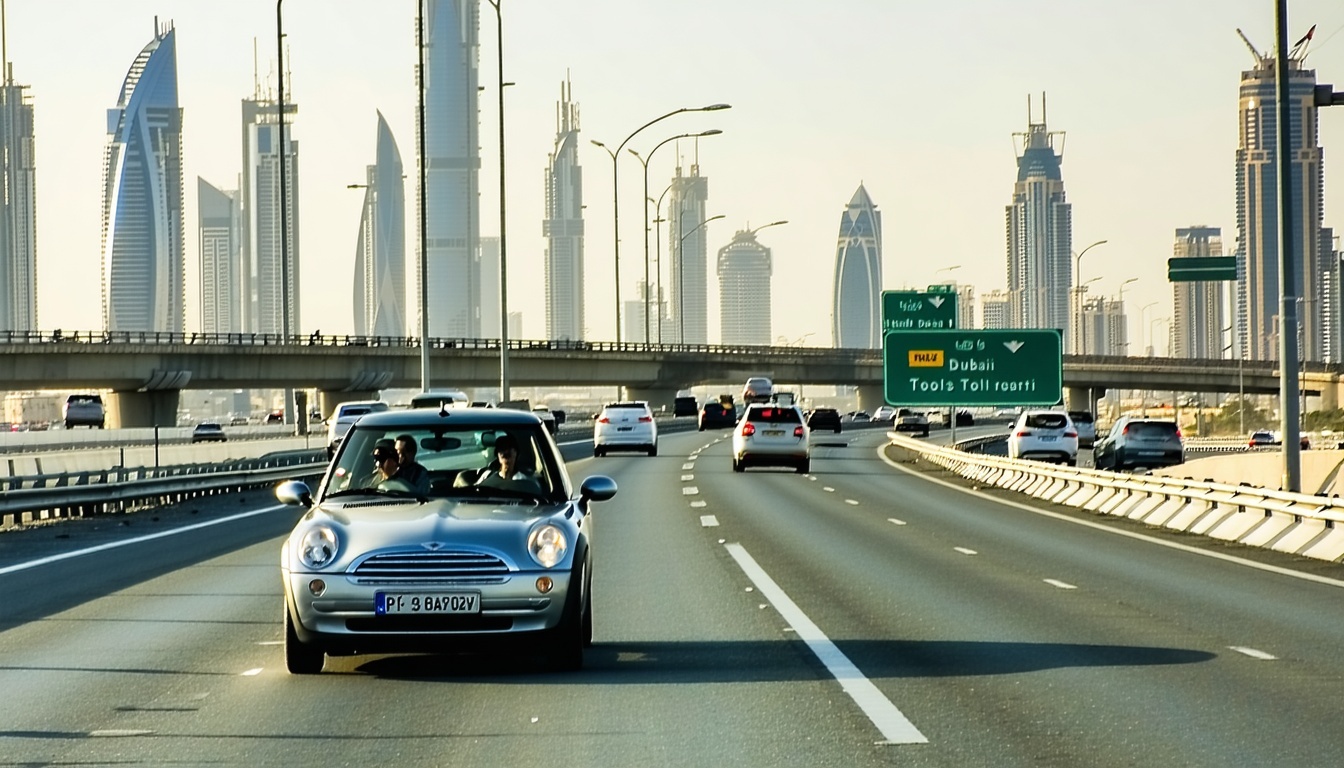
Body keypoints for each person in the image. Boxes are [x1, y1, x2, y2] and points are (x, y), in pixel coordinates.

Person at [457, 433, 543, 494]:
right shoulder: (487, 476)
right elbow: (475, 493)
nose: (505, 452)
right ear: (497, 455)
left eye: (509, 448)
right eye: (501, 449)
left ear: (516, 452)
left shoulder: (527, 482)